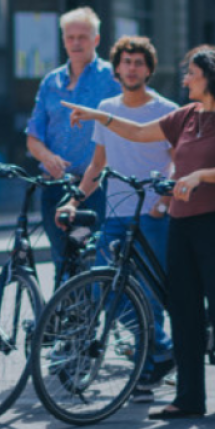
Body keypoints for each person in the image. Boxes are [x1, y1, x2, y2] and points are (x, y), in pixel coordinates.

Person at [63, 44, 215, 423]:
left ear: (212, 78)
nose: (185, 79)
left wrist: (200, 175)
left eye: (192, 74)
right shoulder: (186, 116)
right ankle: (189, 398)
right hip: (182, 225)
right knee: (183, 311)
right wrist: (98, 115)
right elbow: (138, 132)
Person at [54, 36, 178, 404]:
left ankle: (149, 364)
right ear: (117, 68)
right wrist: (74, 199)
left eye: (139, 62)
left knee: (151, 295)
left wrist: (164, 201)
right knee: (104, 291)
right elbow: (98, 164)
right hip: (117, 214)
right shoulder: (106, 107)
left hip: (153, 215)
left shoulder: (167, 109)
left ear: (149, 69)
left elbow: (179, 159)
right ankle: (162, 351)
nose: (132, 68)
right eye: (126, 62)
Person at [26, 7, 120, 279]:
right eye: (70, 37)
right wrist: (46, 157)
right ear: (63, 40)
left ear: (96, 39)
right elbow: (33, 136)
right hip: (54, 187)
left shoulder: (112, 78)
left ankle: (89, 318)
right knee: (61, 258)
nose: (76, 43)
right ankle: (64, 320)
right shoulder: (50, 81)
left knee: (94, 259)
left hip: (93, 188)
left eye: (83, 36)